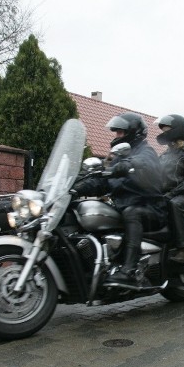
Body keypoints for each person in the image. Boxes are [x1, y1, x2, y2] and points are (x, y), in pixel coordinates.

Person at [73, 112, 165, 288]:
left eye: (120, 133)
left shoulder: (146, 151)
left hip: (151, 208)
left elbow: (144, 163)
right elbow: (102, 182)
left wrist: (127, 165)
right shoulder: (118, 157)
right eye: (116, 133)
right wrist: (76, 187)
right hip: (123, 207)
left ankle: (129, 270)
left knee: (132, 213)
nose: (116, 136)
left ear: (133, 133)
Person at [155, 114, 184, 264]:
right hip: (167, 194)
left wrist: (172, 194)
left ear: (178, 130)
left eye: (166, 130)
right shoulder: (164, 156)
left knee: (175, 204)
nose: (163, 133)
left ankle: (183, 250)